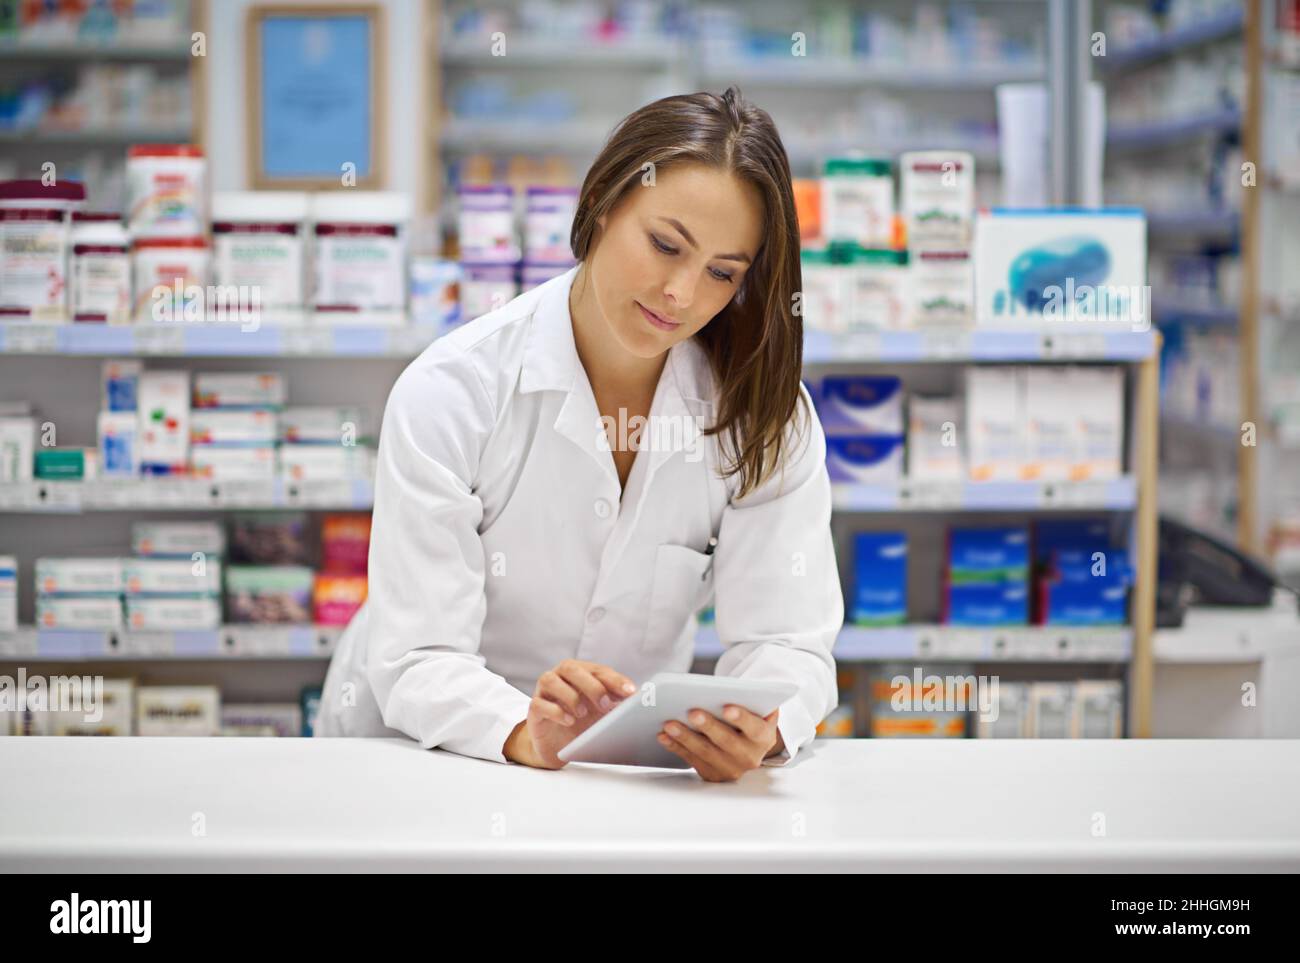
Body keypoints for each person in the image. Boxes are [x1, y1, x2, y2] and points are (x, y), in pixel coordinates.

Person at [316, 87, 843, 782]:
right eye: (665, 245)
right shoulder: (454, 392)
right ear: (600, 202)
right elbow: (417, 655)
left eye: (722, 272)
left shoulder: (763, 414)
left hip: (615, 774)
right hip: (420, 761)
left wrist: (762, 733)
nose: (682, 294)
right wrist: (520, 728)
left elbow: (787, 639)